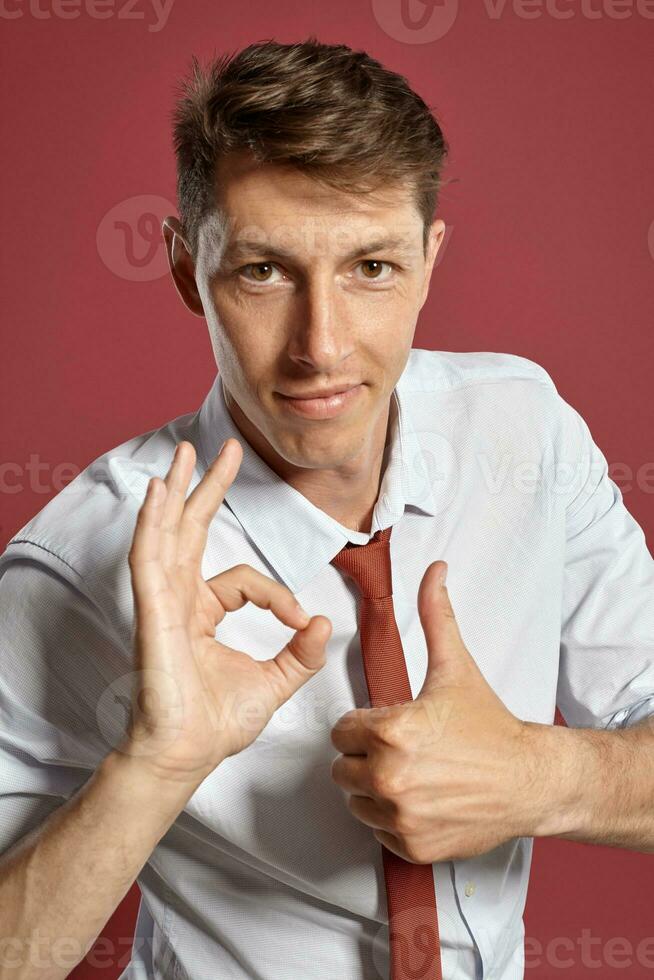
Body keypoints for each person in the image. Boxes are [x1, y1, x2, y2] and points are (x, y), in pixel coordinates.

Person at [1, 36, 653, 980]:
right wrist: (154, 764)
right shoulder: (80, 560)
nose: (322, 345)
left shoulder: (526, 429)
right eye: (262, 271)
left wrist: (538, 779)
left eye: (372, 268)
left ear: (431, 260)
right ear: (187, 269)